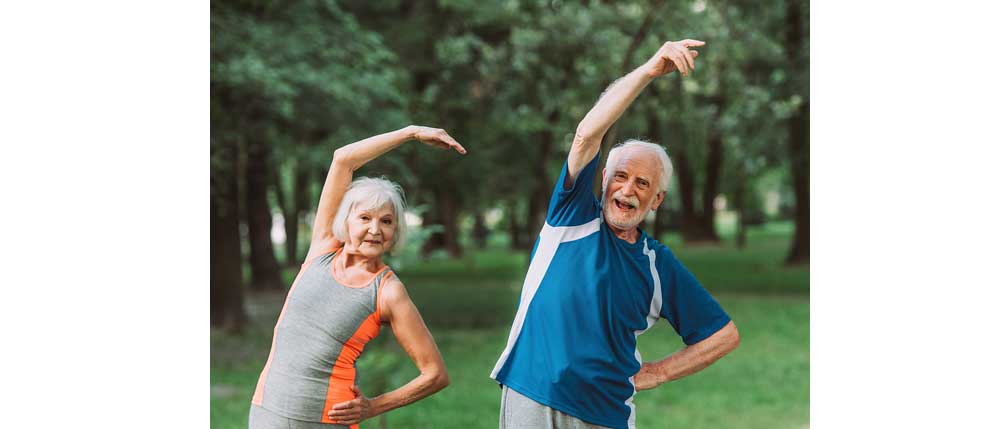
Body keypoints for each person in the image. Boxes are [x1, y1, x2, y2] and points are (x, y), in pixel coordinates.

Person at [490, 39, 741, 429]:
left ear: (656, 200)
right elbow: (587, 135)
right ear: (603, 179)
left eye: (642, 183)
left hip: (605, 414)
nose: (627, 189)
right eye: (620, 176)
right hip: (530, 392)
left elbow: (723, 335)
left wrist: (658, 372)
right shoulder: (572, 216)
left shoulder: (657, 264)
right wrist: (646, 72)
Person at [249, 125, 466, 429]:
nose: (375, 230)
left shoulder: (387, 291)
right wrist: (411, 133)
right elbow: (343, 160)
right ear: (346, 220)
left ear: (396, 231)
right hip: (265, 411)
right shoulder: (322, 248)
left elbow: (435, 373)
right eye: (365, 218)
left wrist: (372, 407)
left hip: (327, 420)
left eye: (386, 221)